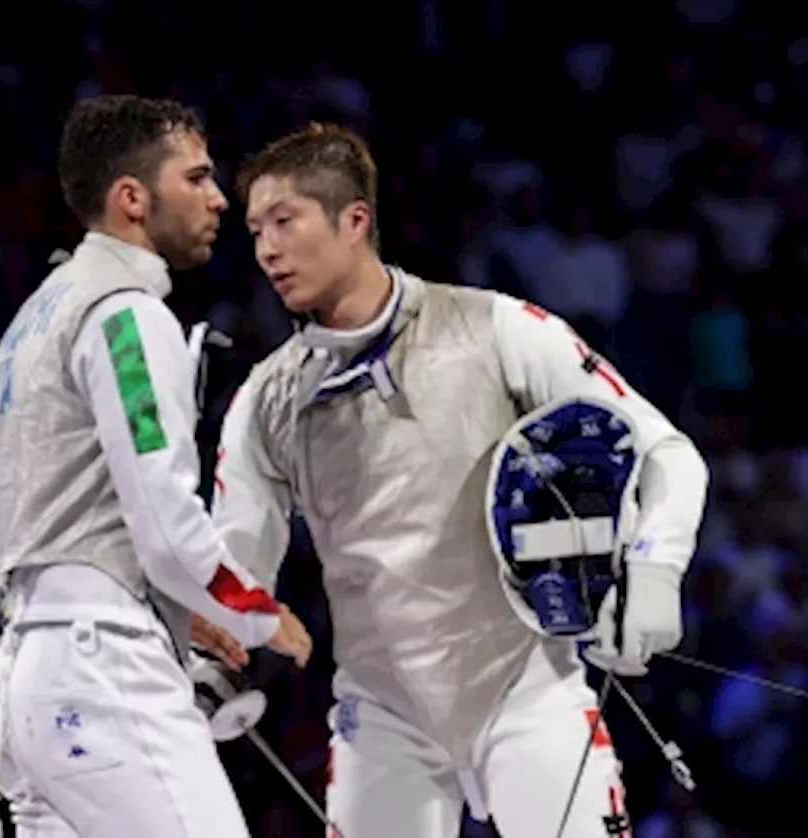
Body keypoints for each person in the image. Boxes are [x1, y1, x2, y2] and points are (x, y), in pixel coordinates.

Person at [197, 124, 709, 838]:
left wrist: (656, 568)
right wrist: (209, 653)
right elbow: (236, 559)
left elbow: (664, 451)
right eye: (254, 230)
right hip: (381, 717)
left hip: (527, 689)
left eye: (284, 221)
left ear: (354, 221)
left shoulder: (494, 327)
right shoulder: (267, 400)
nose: (266, 250)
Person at [0, 94, 311, 838]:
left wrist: (181, 609)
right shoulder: (125, 313)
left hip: (26, 683)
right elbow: (162, 519)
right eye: (196, 178)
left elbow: (72, 518)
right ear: (133, 198)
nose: (220, 198)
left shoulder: (37, 315)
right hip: (102, 676)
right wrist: (255, 614)